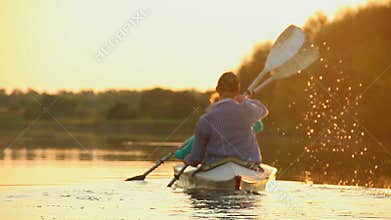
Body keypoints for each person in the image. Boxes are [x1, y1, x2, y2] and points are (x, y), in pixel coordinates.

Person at [184, 72, 268, 167]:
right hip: (248, 165)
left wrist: (187, 159)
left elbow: (196, 159)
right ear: (237, 91)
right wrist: (246, 101)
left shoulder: (205, 119)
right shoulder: (247, 111)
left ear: (217, 90)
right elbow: (263, 111)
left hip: (215, 167)